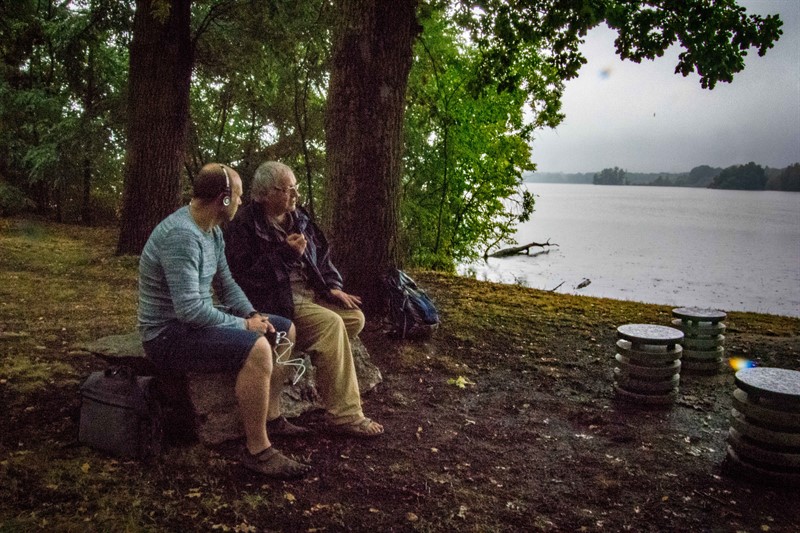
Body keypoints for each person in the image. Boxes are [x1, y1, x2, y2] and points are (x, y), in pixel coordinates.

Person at [138, 162, 311, 479]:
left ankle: (273, 416)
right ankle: (258, 450)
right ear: (225, 198)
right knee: (258, 347)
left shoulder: (212, 231)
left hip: (193, 323)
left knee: (284, 328)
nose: (243, 202)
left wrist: (251, 314)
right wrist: (245, 327)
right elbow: (189, 310)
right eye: (240, 195)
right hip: (167, 335)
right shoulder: (182, 236)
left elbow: (227, 285)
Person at [224, 161, 384, 438]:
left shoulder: (300, 218)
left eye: (296, 188)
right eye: (287, 190)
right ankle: (346, 415)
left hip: (308, 296)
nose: (294, 196)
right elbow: (244, 280)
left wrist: (332, 287)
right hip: (276, 301)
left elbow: (322, 258)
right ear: (264, 193)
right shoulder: (244, 226)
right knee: (331, 326)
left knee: (354, 318)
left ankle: (308, 349)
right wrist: (285, 256)